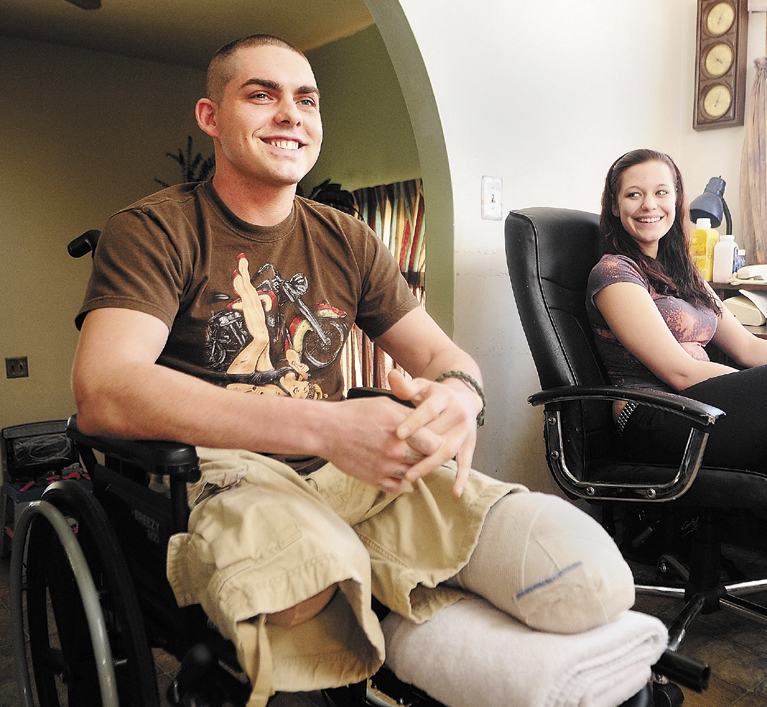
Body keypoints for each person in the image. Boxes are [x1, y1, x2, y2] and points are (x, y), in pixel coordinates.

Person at [72, 34, 634, 705]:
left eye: (305, 99)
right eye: (262, 94)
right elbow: (104, 389)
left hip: (364, 472)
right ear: (210, 117)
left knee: (589, 578)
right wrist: (322, 424)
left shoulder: (347, 237)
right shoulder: (156, 227)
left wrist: (458, 394)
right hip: (229, 474)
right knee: (310, 582)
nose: (290, 113)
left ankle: (404, 607)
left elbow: (439, 356)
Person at [588, 148, 767, 471]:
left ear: (676, 200)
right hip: (653, 414)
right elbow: (680, 373)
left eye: (661, 192)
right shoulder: (614, 273)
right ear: (615, 206)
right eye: (633, 194)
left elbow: (747, 347)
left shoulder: (684, 271)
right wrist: (753, 386)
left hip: (702, 404)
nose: (649, 205)